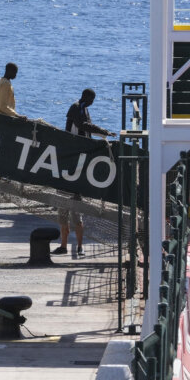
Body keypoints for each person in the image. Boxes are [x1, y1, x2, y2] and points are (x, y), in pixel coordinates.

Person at [52, 89, 115, 257]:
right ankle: (63, 245)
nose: (92, 102)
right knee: (63, 214)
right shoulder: (76, 108)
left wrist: (100, 136)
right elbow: (83, 126)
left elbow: (87, 131)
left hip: (79, 163)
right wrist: (103, 132)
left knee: (77, 214)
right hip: (72, 159)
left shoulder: (84, 109)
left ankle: (79, 247)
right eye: (92, 99)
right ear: (86, 97)